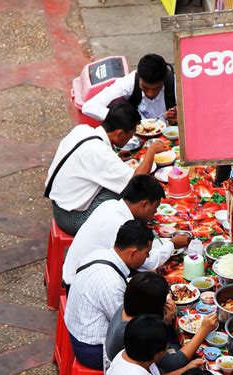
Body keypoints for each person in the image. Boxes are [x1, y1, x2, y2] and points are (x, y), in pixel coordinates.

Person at [46, 102, 166, 235]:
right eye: (130, 135)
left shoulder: (82, 130)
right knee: (128, 194)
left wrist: (116, 157)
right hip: (73, 219)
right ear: (120, 134)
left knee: (118, 184)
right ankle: (132, 234)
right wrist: (151, 151)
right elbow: (137, 181)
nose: (130, 139)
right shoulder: (100, 153)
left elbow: (93, 162)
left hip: (59, 206)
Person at [62, 176, 190, 286]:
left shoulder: (111, 204)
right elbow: (146, 262)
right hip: (80, 283)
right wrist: (172, 244)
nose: (155, 213)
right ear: (144, 205)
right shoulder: (120, 224)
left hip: (80, 271)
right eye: (155, 208)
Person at [65, 220, 153, 370]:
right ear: (133, 252)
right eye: (146, 253)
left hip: (77, 329)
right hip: (91, 349)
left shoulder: (98, 253)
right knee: (150, 350)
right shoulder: (111, 284)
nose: (147, 258)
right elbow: (127, 327)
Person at [105, 271, 218, 375]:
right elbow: (174, 363)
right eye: (163, 301)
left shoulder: (130, 306)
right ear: (153, 307)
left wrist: (164, 322)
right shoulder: (136, 331)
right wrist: (204, 330)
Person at [82, 54, 177, 125]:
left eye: (156, 88)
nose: (150, 94)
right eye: (145, 88)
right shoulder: (128, 83)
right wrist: (122, 118)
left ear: (163, 81)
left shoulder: (176, 85)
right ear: (138, 77)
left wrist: (181, 117)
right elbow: (89, 107)